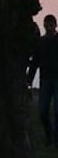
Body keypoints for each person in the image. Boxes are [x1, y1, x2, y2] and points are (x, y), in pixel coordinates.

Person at [27, 14, 58, 145]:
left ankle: (56, 139)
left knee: (57, 111)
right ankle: (49, 134)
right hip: (45, 79)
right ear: (44, 25)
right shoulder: (40, 42)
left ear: (55, 25)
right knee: (42, 111)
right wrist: (29, 79)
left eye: (51, 24)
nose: (49, 27)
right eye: (47, 24)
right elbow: (35, 62)